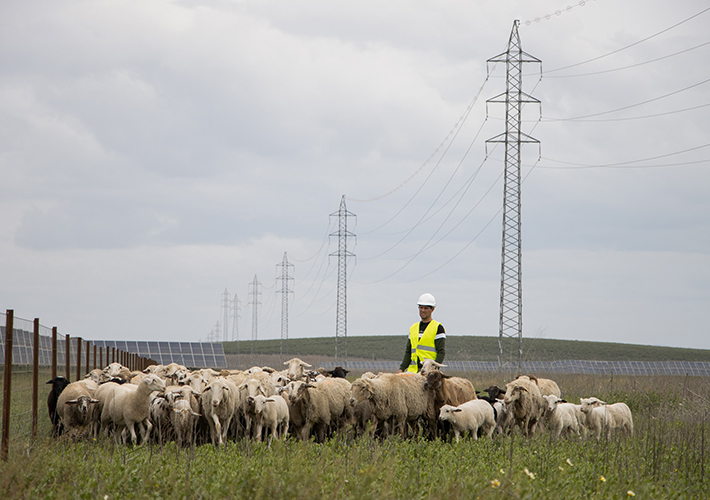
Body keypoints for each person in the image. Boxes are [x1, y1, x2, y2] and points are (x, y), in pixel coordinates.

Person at [398, 293, 446, 373]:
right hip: (413, 372)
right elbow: (408, 352)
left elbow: (441, 352)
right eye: (421, 308)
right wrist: (401, 369)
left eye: (426, 308)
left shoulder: (437, 328)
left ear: (432, 309)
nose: (423, 310)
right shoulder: (413, 328)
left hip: (428, 373)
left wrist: (434, 370)